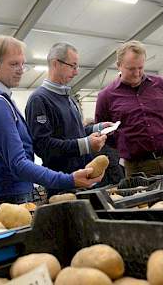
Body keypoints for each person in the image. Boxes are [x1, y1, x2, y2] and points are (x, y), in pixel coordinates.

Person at [0, 35, 104, 208]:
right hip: (9, 193)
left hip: (12, 189)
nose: (21, 70)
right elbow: (18, 163)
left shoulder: (1, 99)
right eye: (14, 64)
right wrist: (68, 179)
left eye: (22, 64)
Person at [25, 42, 110, 196]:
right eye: (73, 66)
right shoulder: (39, 100)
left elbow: (73, 133)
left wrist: (97, 128)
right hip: (64, 185)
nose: (76, 72)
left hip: (85, 179)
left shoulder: (68, 97)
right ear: (55, 64)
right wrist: (86, 145)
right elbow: (43, 146)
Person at [95, 40, 163, 177]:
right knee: (145, 199)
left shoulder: (160, 84)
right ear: (119, 65)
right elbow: (104, 131)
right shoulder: (106, 96)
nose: (137, 73)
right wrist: (128, 145)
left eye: (141, 67)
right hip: (138, 167)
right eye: (131, 69)